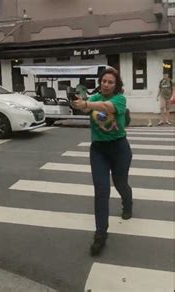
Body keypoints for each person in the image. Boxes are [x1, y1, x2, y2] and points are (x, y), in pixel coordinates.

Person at [72, 68, 133, 257]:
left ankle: (128, 203)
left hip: (119, 149)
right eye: (104, 81)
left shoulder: (120, 99)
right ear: (100, 82)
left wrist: (87, 104)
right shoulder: (93, 98)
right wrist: (78, 104)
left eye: (110, 82)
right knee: (101, 191)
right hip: (98, 150)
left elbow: (106, 107)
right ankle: (100, 235)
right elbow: (82, 106)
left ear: (116, 85)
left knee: (120, 183)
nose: (106, 84)